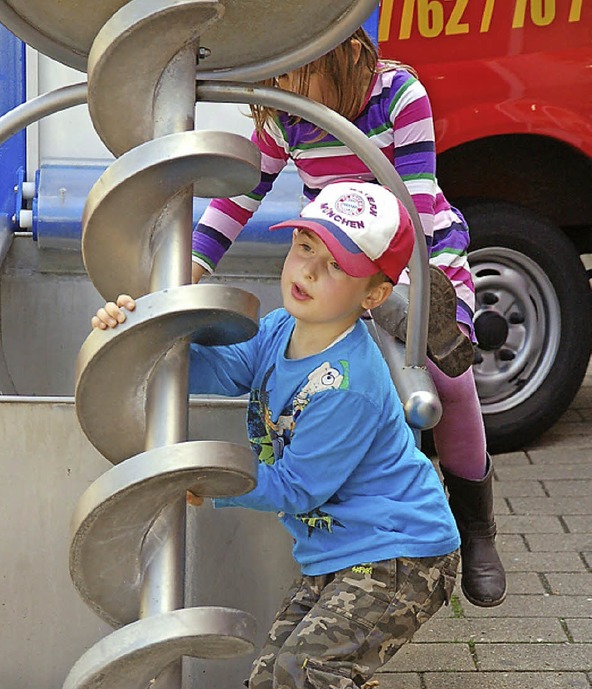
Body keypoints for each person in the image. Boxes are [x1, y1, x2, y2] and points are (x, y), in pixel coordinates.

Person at [93, 181, 461, 689]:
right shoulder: (281, 330)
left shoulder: (349, 384)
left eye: (334, 265)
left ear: (374, 296)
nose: (307, 270)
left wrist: (213, 481)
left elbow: (297, 487)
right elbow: (221, 370)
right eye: (304, 247)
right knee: (270, 684)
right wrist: (144, 336)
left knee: (306, 675)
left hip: (401, 555)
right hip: (341, 552)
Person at [190, 28, 505, 608]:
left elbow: (419, 199)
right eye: (276, 72)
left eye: (295, 71)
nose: (282, 85)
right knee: (357, 366)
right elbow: (239, 195)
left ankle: (476, 526)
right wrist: (196, 262)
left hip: (416, 250)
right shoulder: (285, 111)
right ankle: (374, 530)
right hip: (339, 258)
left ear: (344, 52)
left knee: (447, 379)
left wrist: (420, 297)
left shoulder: (397, 95)